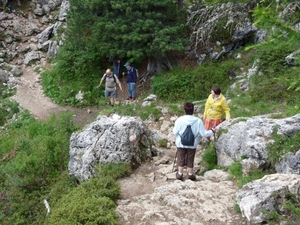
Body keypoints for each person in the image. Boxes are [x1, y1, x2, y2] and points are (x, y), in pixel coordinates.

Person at [173, 102, 215, 181]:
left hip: (181, 143)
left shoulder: (179, 120)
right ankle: (190, 174)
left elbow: (175, 132)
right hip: (193, 143)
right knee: (190, 158)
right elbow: (204, 133)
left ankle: (180, 174)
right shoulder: (198, 121)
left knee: (181, 157)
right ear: (193, 110)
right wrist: (212, 131)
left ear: (184, 110)